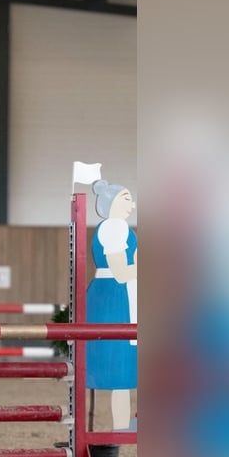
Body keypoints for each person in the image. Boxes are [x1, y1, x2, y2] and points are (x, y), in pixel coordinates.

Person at [85, 179, 138, 431]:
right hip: (116, 296)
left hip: (114, 295)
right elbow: (120, 272)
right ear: (113, 202)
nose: (133, 204)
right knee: (119, 365)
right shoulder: (115, 227)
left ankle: (122, 426)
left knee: (122, 372)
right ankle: (120, 427)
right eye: (127, 199)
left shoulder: (114, 227)